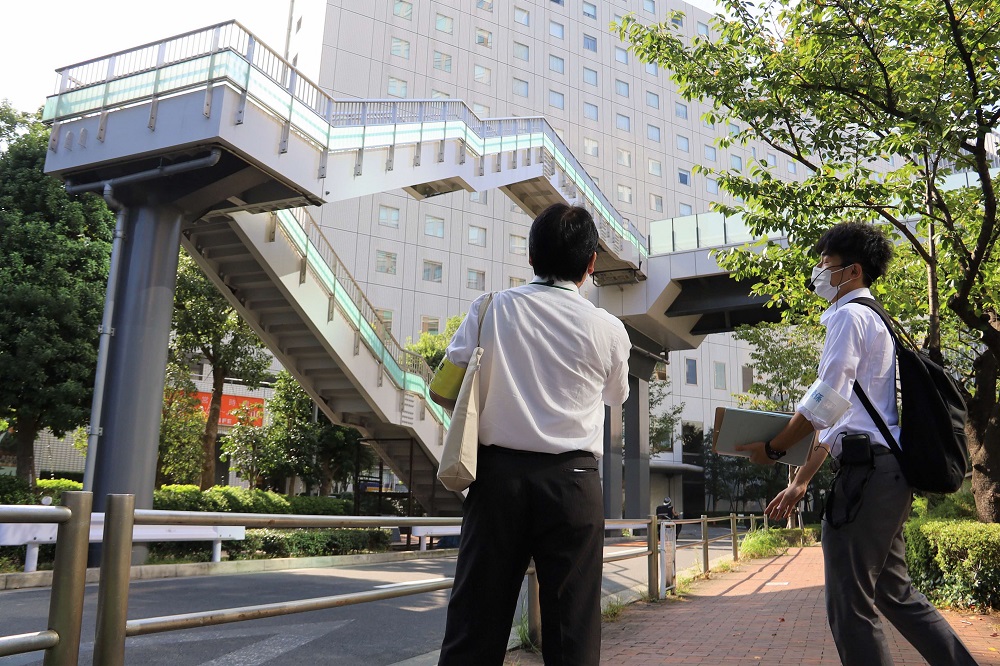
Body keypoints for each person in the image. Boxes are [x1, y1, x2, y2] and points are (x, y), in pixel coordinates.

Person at [736, 221, 977, 665]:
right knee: (894, 594)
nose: (818, 273)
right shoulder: (877, 319)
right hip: (887, 473)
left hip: (866, 478)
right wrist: (801, 480)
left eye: (826, 264)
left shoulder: (849, 316)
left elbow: (826, 401)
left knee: (849, 604)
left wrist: (772, 450)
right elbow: (843, 419)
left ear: (853, 271)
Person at [434, 203, 631, 666]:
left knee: (475, 624)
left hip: (497, 477)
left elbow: (445, 385)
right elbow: (615, 396)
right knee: (573, 626)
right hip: (573, 480)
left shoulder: (489, 308)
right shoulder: (608, 329)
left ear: (530, 257)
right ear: (590, 265)